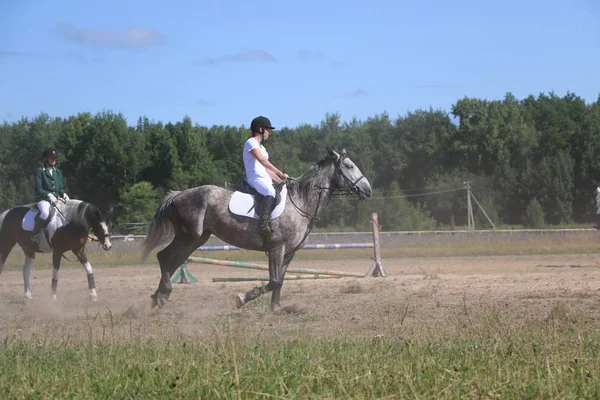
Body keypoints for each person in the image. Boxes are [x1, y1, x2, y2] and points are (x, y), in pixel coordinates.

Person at [243, 116, 289, 235]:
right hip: (254, 178)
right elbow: (263, 161)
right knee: (270, 192)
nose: (270, 133)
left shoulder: (262, 148)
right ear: (261, 129)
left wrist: (281, 181)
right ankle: (263, 225)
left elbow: (268, 170)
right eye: (268, 130)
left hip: (265, 178)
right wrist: (280, 172)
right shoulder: (251, 142)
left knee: (281, 190)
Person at [31, 148, 69, 243]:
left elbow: (60, 187)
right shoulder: (40, 171)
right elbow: (38, 188)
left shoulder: (58, 172)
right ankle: (35, 235)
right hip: (43, 199)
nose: (54, 160)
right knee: (44, 213)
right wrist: (48, 194)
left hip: (56, 199)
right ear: (45, 159)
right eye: (51, 158)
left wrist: (63, 193)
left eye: (55, 158)